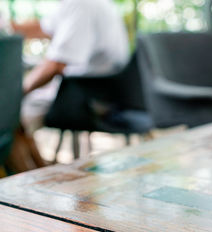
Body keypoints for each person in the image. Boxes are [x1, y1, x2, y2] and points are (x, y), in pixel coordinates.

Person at [6, 0, 130, 170]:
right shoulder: (97, 4)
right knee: (14, 114)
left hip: (86, 98)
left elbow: (56, 65)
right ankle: (38, 173)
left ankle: (23, 182)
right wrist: (7, 26)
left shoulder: (81, 5)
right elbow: (43, 27)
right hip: (106, 93)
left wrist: (17, 91)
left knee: (7, 115)